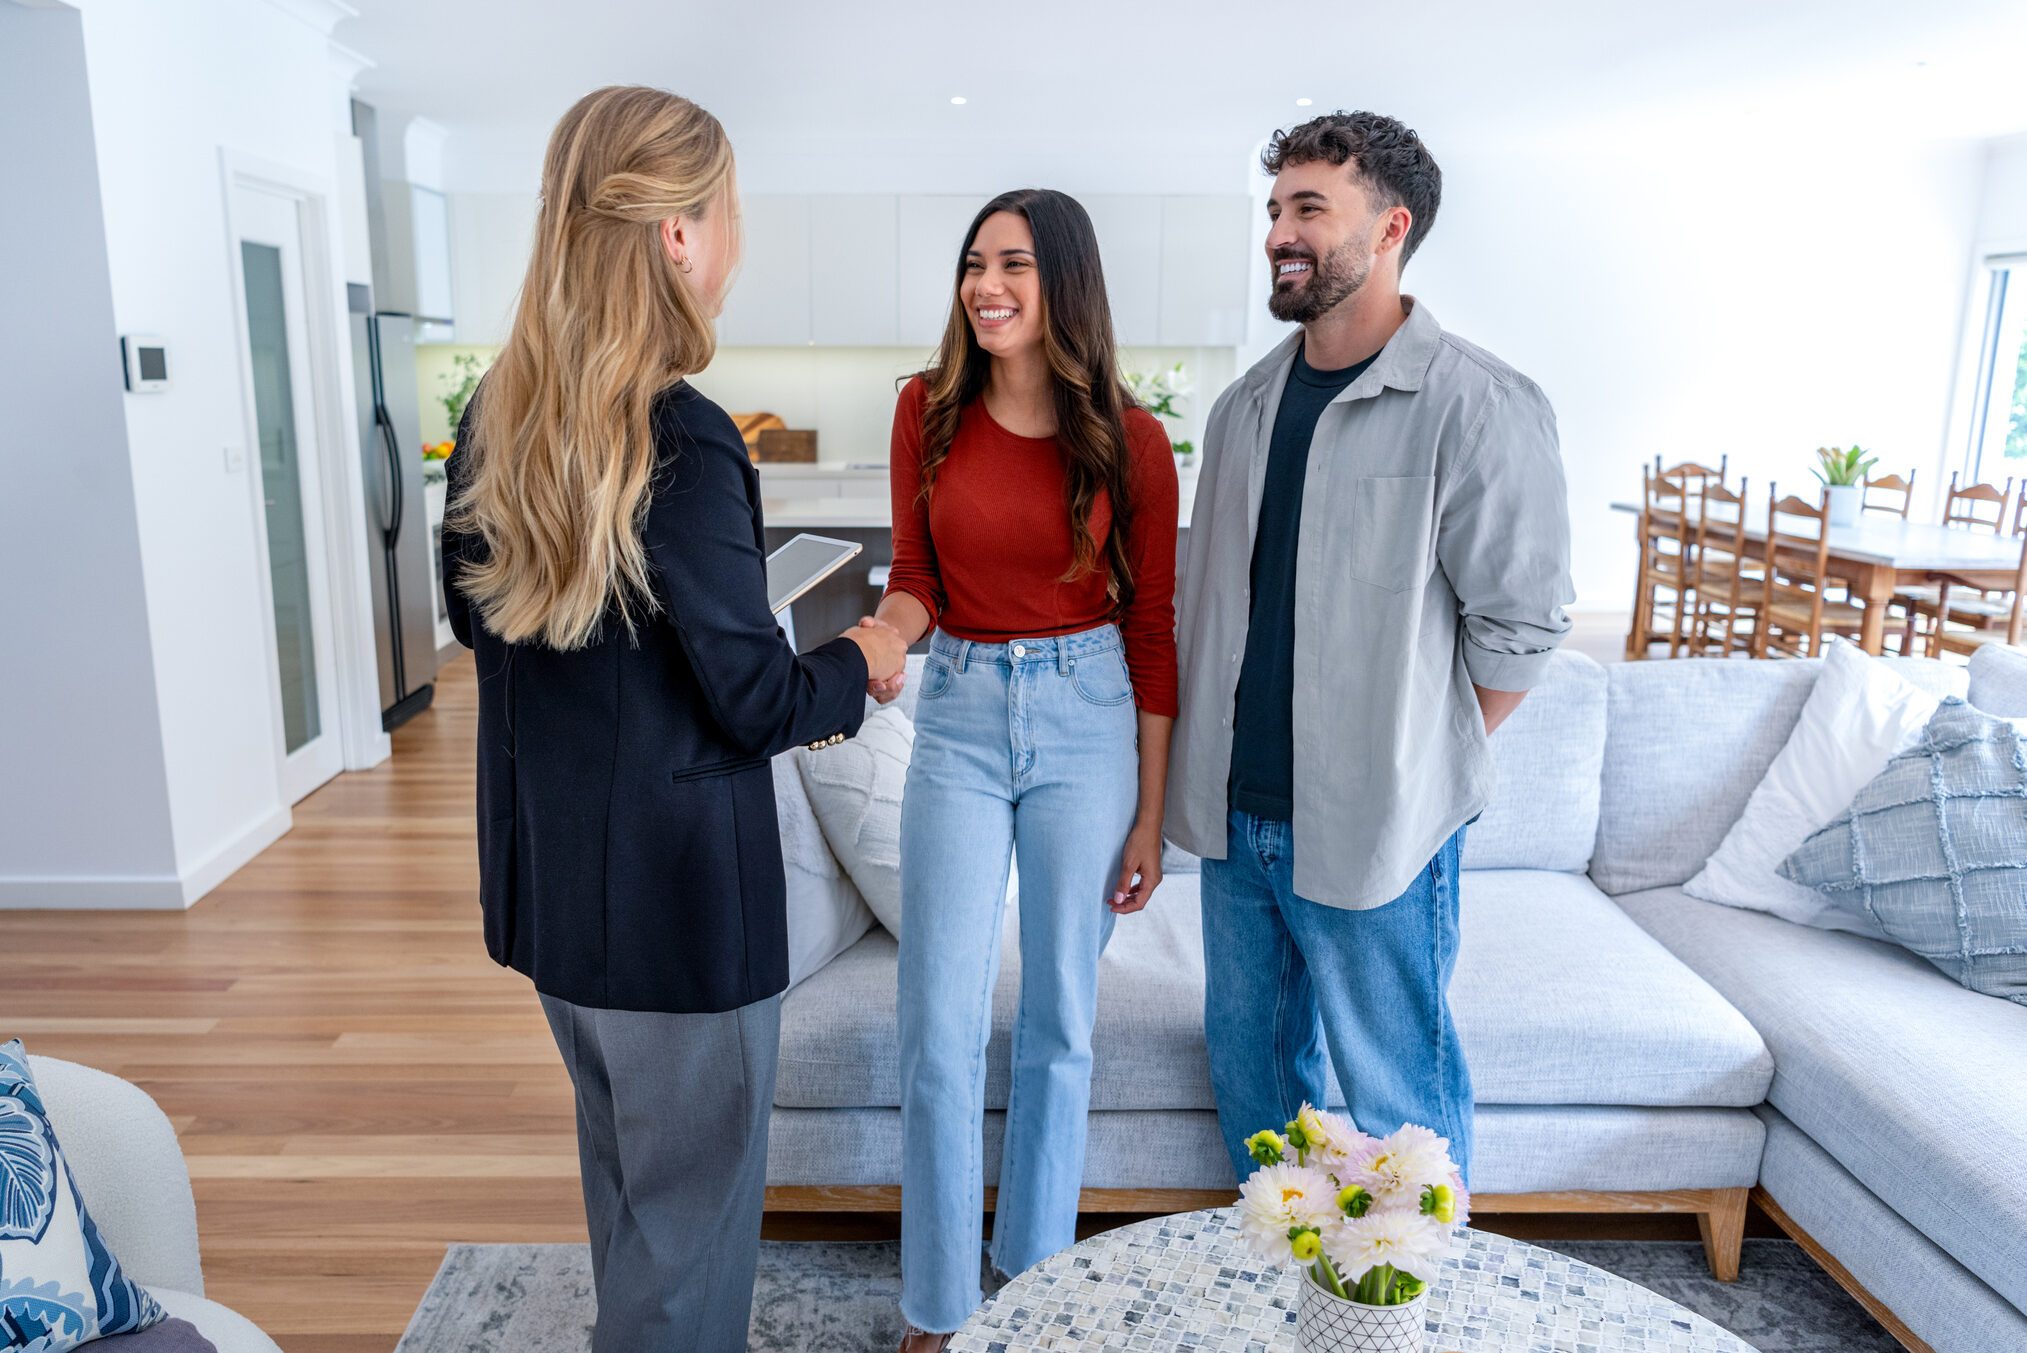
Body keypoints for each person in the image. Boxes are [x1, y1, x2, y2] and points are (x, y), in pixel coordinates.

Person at [438, 85, 906, 1353]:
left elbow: (493, 630)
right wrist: (873, 650)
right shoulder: (687, 440)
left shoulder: (495, 416)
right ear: (678, 238)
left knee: (633, 1208)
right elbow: (755, 703)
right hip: (682, 918)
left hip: (555, 904)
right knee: (690, 1244)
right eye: (732, 212)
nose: (738, 241)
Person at [1165, 111, 1574, 1189]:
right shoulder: (1243, 408)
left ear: (1389, 227)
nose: (1277, 233)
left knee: (1402, 1107)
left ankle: (1410, 1319)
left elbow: (1520, 627)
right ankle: (1287, 1295)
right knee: (1256, 1099)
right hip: (1233, 824)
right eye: (1272, 210)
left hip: (1378, 832)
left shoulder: (1477, 404)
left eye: (1308, 208)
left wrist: (1409, 758)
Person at [866, 188, 1180, 1350]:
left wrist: (1150, 814)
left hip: (1089, 714)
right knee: (936, 1023)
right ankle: (940, 1304)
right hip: (953, 712)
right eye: (971, 264)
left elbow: (1153, 636)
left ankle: (1036, 1274)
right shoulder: (923, 411)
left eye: (1012, 265)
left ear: (1065, 283)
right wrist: (885, 641)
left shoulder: (1132, 441)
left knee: (1059, 1016)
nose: (984, 286)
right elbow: (912, 575)